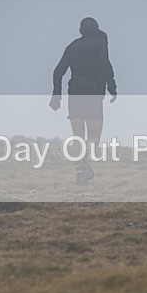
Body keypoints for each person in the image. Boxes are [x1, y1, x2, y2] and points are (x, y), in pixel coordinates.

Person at [50, 17, 117, 184]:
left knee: (77, 137)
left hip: (75, 94)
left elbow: (58, 72)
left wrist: (56, 95)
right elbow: (106, 65)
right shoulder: (101, 43)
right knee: (94, 137)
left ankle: (80, 173)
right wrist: (112, 88)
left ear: (81, 30)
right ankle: (85, 160)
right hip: (94, 93)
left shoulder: (72, 46)